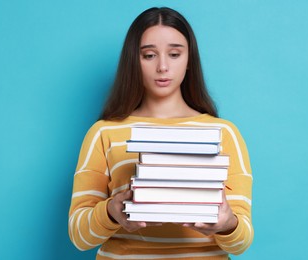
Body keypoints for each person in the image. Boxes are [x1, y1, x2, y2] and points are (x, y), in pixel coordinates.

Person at [68, 7, 253, 259]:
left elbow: (241, 243)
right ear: (134, 60)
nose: (163, 66)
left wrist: (228, 224)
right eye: (149, 55)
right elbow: (79, 237)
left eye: (175, 54)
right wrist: (111, 211)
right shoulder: (104, 132)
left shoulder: (224, 133)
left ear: (189, 60)